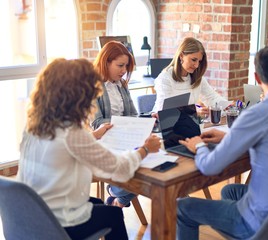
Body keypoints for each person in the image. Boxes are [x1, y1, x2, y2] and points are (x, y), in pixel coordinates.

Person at [177, 45, 268, 239]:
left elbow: (210, 167)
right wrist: (229, 138)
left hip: (263, 224)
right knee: (231, 191)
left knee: (183, 207)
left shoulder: (257, 114)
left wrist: (199, 146)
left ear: (257, 78)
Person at [17, 58, 161, 240]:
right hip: (57, 223)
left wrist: (95, 135)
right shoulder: (72, 132)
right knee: (114, 215)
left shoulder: (33, 127)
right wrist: (145, 149)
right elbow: (121, 169)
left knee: (99, 204)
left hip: (28, 215)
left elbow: (64, 148)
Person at [91, 40, 139, 208]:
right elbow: (96, 122)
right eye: (120, 65)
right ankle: (117, 194)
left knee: (147, 166)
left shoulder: (122, 85)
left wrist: (141, 121)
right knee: (135, 168)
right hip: (104, 142)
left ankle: (117, 199)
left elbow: (133, 114)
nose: (124, 70)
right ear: (106, 62)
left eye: (126, 66)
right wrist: (125, 124)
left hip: (125, 139)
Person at [151, 37, 228, 116]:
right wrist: (194, 112)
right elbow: (165, 111)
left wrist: (227, 105)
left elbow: (211, 96)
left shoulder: (197, 77)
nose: (197, 65)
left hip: (187, 123)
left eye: (199, 61)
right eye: (194, 60)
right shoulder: (164, 79)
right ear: (181, 56)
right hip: (163, 123)